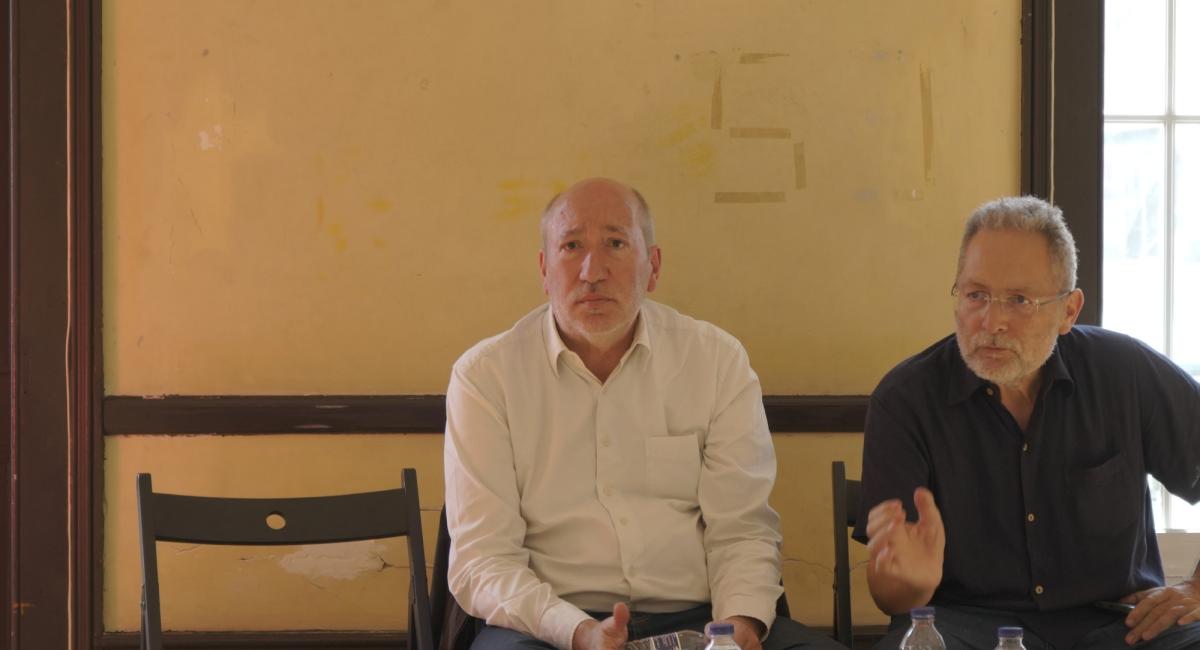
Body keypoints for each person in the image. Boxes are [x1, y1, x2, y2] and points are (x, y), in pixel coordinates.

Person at [444, 178, 844, 650]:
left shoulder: (715, 360)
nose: (592, 271)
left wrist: (738, 626)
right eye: (571, 246)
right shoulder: (486, 376)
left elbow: (742, 530)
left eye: (615, 243)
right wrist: (578, 632)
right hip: (549, 627)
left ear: (652, 267)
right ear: (544, 270)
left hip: (701, 619)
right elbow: (484, 559)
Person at [855, 196, 1200, 649]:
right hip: (968, 629)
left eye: (1019, 300)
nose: (991, 321)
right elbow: (892, 599)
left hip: (1121, 626)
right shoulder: (906, 399)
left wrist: (1197, 589)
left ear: (1069, 311)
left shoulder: (1124, 372)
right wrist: (909, 583)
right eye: (976, 295)